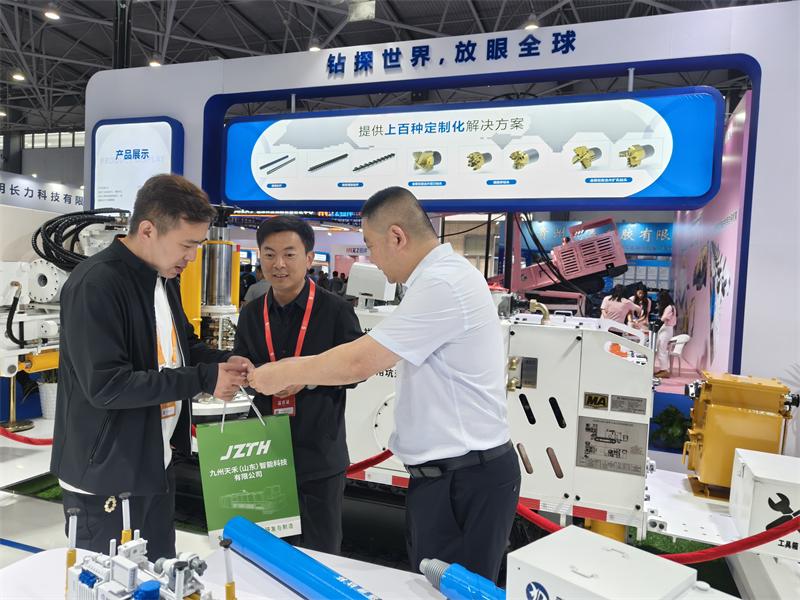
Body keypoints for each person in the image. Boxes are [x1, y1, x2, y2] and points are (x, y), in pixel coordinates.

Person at [247, 187, 519, 582]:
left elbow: (360, 361)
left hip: (462, 480)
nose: (371, 258)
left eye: (371, 246)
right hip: (448, 477)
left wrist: (284, 372)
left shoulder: (443, 284)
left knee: (454, 591)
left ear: (397, 236)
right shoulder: (438, 280)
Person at [51, 174, 251, 559]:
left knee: (159, 575)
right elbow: (108, 385)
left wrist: (222, 362)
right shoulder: (96, 284)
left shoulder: (161, 279)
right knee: (110, 582)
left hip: (153, 464)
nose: (191, 257)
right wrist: (205, 378)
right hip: (105, 478)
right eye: (186, 245)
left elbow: (181, 347)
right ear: (147, 230)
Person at [232, 216, 362, 554]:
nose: (279, 264)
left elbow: (358, 372)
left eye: (289, 254)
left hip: (319, 452)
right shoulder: (251, 313)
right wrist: (257, 379)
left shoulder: (336, 311)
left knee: (322, 552)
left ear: (308, 258)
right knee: (268, 552)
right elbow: (242, 364)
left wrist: (307, 378)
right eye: (269, 254)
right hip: (266, 452)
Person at [654, 290, 677, 378]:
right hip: (666, 329)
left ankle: (664, 370)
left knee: (662, 350)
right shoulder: (671, 307)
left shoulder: (669, 307)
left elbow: (663, 318)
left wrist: (657, 322)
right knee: (661, 349)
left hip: (666, 329)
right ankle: (663, 369)